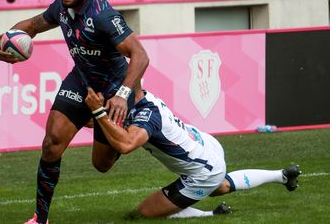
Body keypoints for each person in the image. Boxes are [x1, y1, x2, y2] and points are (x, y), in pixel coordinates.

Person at [0, 0, 149, 223]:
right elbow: (31, 26)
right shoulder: (61, 8)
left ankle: (114, 122)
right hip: (81, 81)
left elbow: (141, 55)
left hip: (112, 89)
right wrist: (0, 44)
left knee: (101, 164)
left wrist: (123, 95)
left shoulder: (104, 16)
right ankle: (40, 219)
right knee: (52, 142)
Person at [84, 86, 302, 219]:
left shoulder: (143, 117)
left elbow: (124, 144)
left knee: (142, 214)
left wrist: (97, 111)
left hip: (203, 169)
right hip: (206, 145)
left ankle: (210, 214)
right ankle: (282, 175)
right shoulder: (144, 98)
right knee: (221, 186)